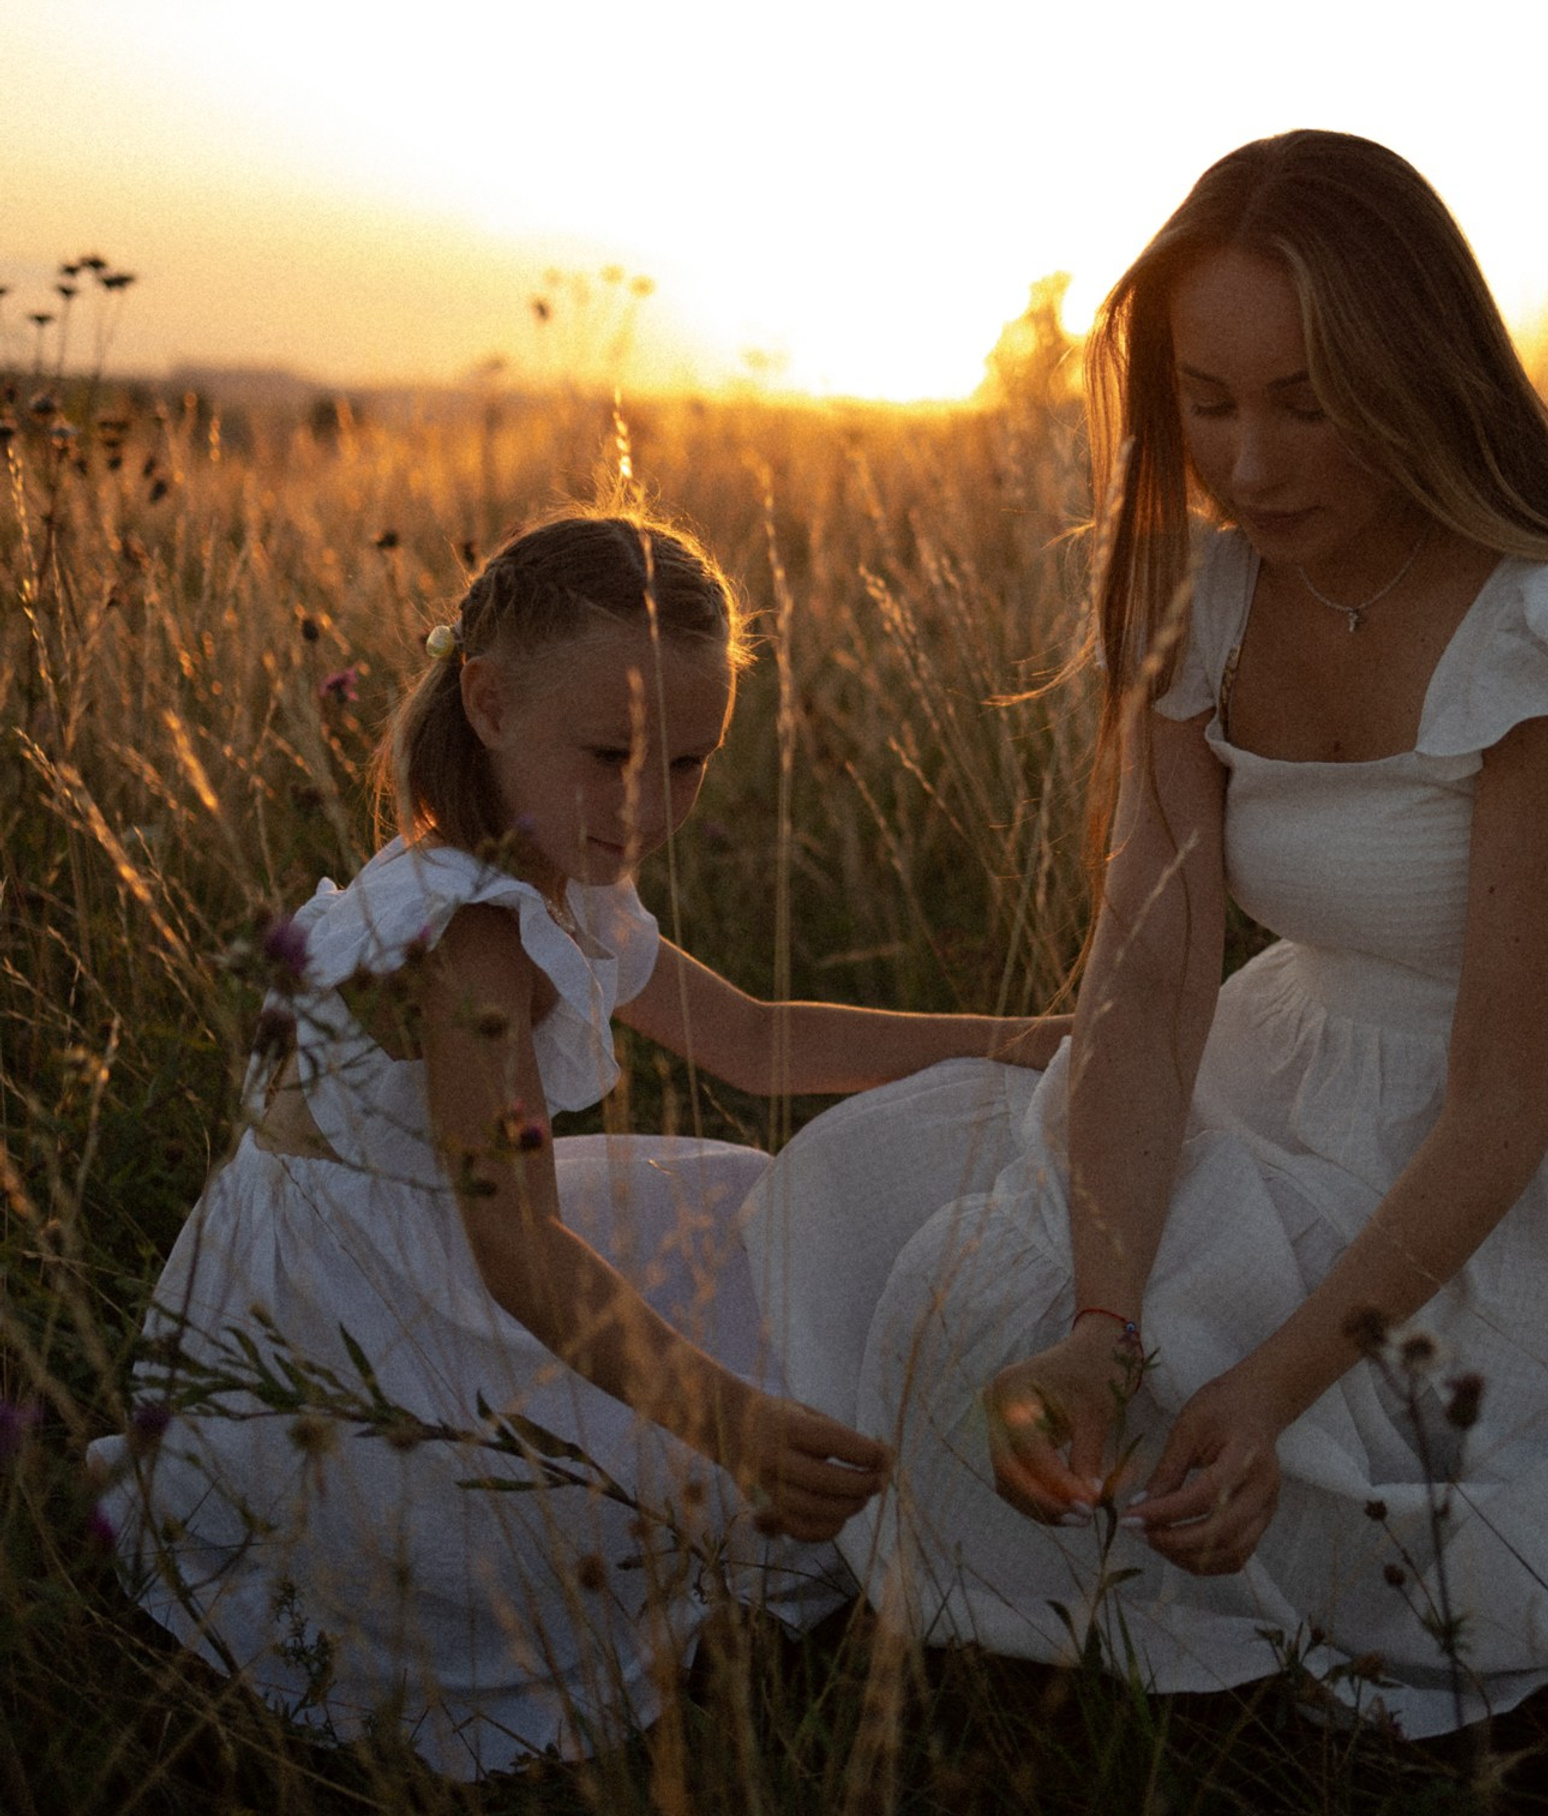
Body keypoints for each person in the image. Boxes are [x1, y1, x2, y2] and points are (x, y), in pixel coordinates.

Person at [748, 132, 1548, 1736]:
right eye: (1207, 400)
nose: (1252, 458)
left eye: (1310, 400)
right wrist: (1102, 1325)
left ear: (1425, 373)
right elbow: (1148, 992)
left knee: (1259, 1405)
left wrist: (1281, 1377)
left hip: (1545, 1157)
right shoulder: (1192, 599)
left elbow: (1505, 1101)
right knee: (925, 1251)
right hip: (1283, 1066)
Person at [91, 511, 1068, 1775]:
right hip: (378, 1321)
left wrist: (1028, 1037)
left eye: (687, 764)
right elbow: (516, 1251)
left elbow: (757, 1040)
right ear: (489, 703)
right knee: (714, 1436)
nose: (644, 806)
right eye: (611, 754)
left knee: (758, 1211)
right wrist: (731, 1423)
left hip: (423, 1233)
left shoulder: (546, 857)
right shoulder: (473, 935)